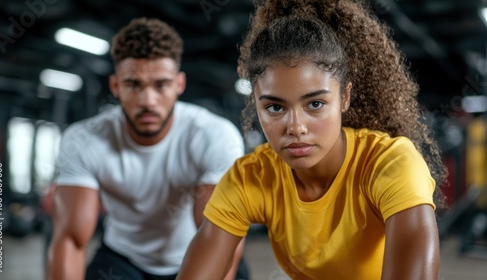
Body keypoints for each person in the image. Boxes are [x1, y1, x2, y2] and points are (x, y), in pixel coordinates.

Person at [176, 0, 448, 279]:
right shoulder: (251, 178)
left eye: (315, 104)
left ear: (344, 97)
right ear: (256, 105)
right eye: (275, 108)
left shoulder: (390, 164)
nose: (296, 127)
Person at [46, 17, 248, 280]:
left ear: (179, 84)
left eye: (161, 84)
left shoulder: (214, 135)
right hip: (123, 259)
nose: (148, 100)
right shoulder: (83, 139)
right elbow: (70, 241)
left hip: (197, 253)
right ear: (115, 86)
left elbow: (219, 238)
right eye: (133, 84)